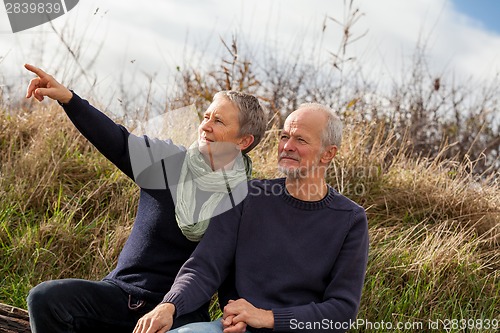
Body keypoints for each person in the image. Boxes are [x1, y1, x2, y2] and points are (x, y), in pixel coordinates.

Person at [23, 63, 267, 333]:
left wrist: (235, 316)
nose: (205, 126)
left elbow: (233, 269)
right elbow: (116, 140)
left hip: (180, 313)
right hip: (119, 295)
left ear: (243, 141)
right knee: (46, 298)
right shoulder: (168, 162)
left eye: (218, 121)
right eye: (205, 116)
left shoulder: (246, 199)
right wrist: (68, 99)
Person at [133, 103, 369, 333]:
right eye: (284, 136)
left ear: (328, 154)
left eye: (301, 140)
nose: (287, 146)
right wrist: (170, 305)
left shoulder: (350, 220)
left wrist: (267, 318)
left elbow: (341, 311)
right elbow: (205, 267)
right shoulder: (244, 195)